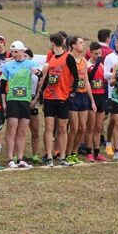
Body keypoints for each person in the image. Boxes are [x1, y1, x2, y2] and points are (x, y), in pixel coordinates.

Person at [37, 32, 80, 166]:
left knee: (62, 127)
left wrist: (71, 92)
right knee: (49, 127)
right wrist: (41, 92)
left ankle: (62, 157)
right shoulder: (52, 59)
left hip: (62, 97)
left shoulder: (68, 58)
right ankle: (49, 156)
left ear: (53, 43)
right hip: (50, 97)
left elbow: (76, 77)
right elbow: (49, 78)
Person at [0, 41, 36, 168]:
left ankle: (20, 158)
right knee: (12, 129)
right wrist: (4, 102)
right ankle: (10, 158)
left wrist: (37, 72)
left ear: (22, 51)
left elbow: (40, 75)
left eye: (16, 52)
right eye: (12, 52)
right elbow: (2, 85)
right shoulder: (8, 65)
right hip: (12, 100)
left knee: (22, 131)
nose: (14, 54)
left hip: (25, 100)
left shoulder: (30, 64)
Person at [63, 36, 96, 164]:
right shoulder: (68, 59)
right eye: (81, 43)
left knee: (83, 127)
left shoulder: (83, 60)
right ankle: (66, 153)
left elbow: (86, 81)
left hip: (83, 96)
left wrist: (92, 100)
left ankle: (74, 153)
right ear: (73, 45)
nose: (83, 45)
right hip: (72, 95)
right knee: (74, 127)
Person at [85, 42, 109, 162]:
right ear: (90, 52)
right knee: (90, 126)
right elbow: (88, 79)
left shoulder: (101, 65)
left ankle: (97, 152)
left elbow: (104, 80)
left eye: (99, 53)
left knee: (98, 127)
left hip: (101, 96)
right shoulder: (88, 65)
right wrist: (96, 65)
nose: (98, 55)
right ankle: (88, 151)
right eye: (95, 53)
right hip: (91, 97)